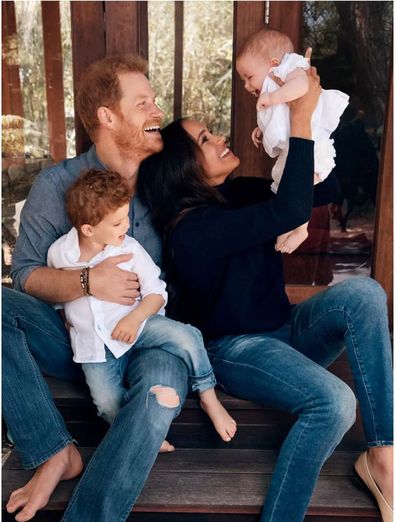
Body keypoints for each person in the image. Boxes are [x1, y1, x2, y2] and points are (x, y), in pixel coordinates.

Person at [138, 66, 393, 522]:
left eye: (212, 132)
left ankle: (383, 457)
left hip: (287, 329)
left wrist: (283, 151)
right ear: (183, 167)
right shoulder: (190, 231)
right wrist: (299, 115)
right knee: (334, 403)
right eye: (204, 140)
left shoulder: (239, 194)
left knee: (366, 294)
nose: (219, 139)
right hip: (237, 349)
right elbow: (289, 208)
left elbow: (326, 188)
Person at [5, 53, 198, 522]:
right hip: (79, 342)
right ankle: (54, 451)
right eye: (144, 103)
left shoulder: (165, 182)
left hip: (150, 338)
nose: (157, 113)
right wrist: (90, 281)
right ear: (107, 117)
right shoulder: (58, 185)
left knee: (158, 397)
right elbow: (27, 275)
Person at [47, 168, 236, 442]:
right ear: (88, 229)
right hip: (95, 347)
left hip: (140, 323)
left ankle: (208, 396)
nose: (125, 226)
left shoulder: (130, 249)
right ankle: (140, 428)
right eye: (116, 223)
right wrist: (66, 316)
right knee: (105, 402)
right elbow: (57, 292)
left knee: (187, 336)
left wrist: (134, 319)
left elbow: (157, 293)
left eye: (126, 217)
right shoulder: (60, 254)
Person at [236, 28, 349, 254]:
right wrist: (262, 128)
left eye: (249, 77)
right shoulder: (275, 86)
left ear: (274, 63)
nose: (247, 86)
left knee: (299, 186)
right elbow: (282, 117)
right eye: (243, 81)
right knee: (284, 186)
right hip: (295, 145)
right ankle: (290, 226)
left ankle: (300, 228)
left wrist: (272, 97)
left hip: (312, 144)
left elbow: (302, 87)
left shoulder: (292, 69)